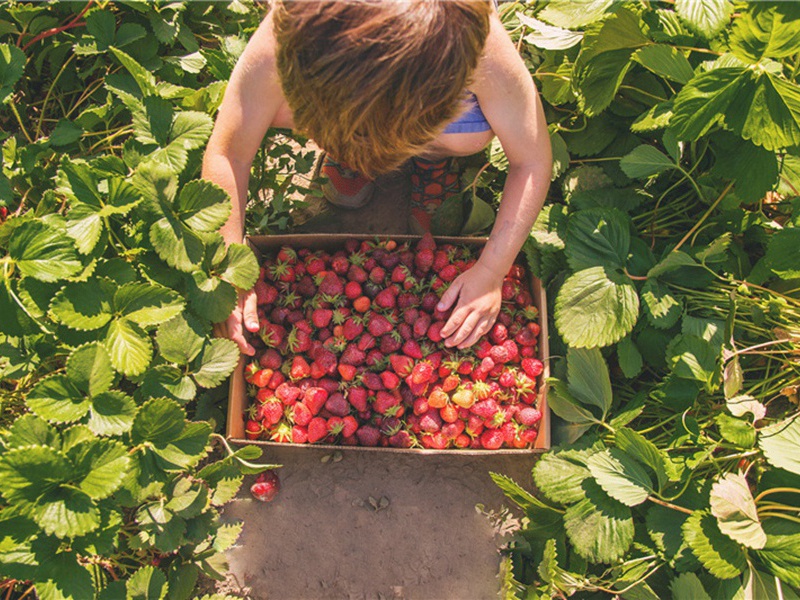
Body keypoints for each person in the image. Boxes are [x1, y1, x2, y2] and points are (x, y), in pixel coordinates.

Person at [203, 0, 552, 357]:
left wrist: (493, 270)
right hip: (349, 82)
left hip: (433, 76)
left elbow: (532, 159)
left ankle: (432, 155)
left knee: (465, 135)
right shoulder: (296, 30)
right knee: (261, 104)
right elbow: (228, 152)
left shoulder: (474, 44)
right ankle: (350, 151)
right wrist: (230, 267)